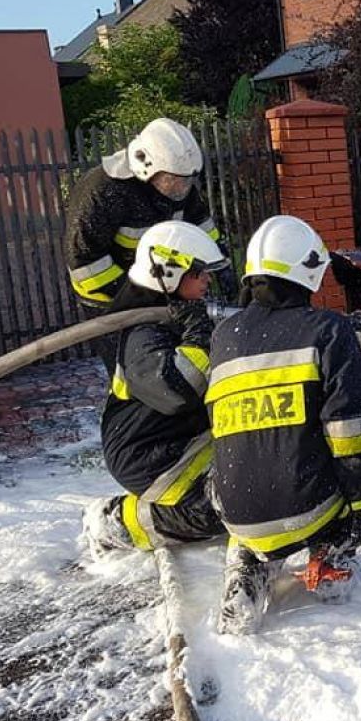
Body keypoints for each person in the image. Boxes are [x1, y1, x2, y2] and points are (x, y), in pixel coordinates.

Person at [205, 215, 361, 635]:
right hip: (308, 508)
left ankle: (246, 568)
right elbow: (351, 430)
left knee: (254, 496)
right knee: (334, 492)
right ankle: (330, 556)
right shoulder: (328, 330)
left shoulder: (224, 336)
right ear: (308, 271)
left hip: (236, 511)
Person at [81, 220, 230, 556]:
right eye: (199, 273)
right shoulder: (142, 334)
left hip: (183, 439)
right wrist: (199, 335)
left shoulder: (175, 317)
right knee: (220, 510)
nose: (207, 280)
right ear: (169, 272)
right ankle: (117, 522)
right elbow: (177, 392)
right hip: (149, 455)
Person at [64, 119, 235, 359]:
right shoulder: (102, 191)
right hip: (109, 298)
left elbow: (200, 224)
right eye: (172, 180)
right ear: (145, 167)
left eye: (187, 181)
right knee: (132, 363)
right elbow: (85, 263)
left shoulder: (176, 183)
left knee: (170, 359)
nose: (181, 188)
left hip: (161, 288)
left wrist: (221, 264)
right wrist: (142, 295)